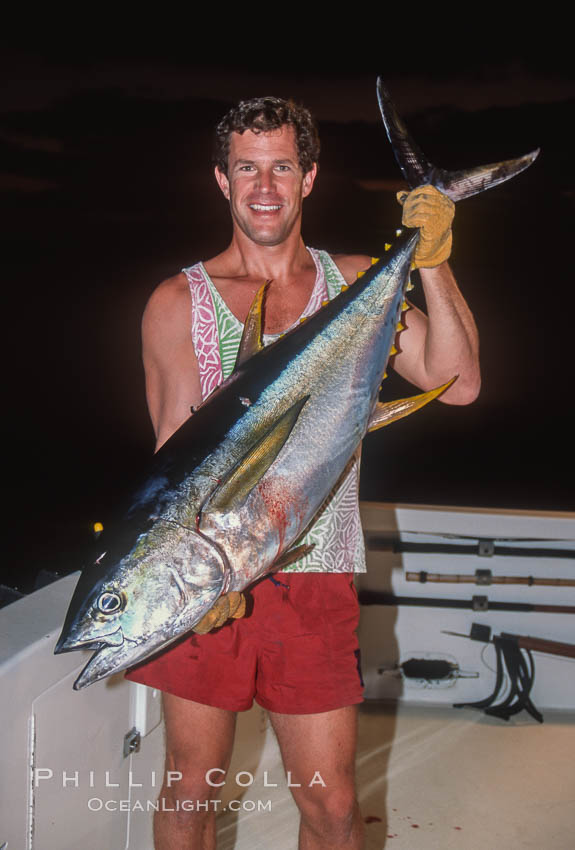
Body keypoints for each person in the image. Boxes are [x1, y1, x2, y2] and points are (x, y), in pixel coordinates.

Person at [125, 95, 480, 849]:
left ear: (308, 177)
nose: (264, 186)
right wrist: (189, 586)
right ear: (221, 180)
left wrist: (436, 260)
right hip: (205, 581)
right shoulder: (174, 302)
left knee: (329, 804)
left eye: (280, 167)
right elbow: (169, 463)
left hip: (317, 576)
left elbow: (460, 381)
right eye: (246, 168)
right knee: (191, 790)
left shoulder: (356, 282)